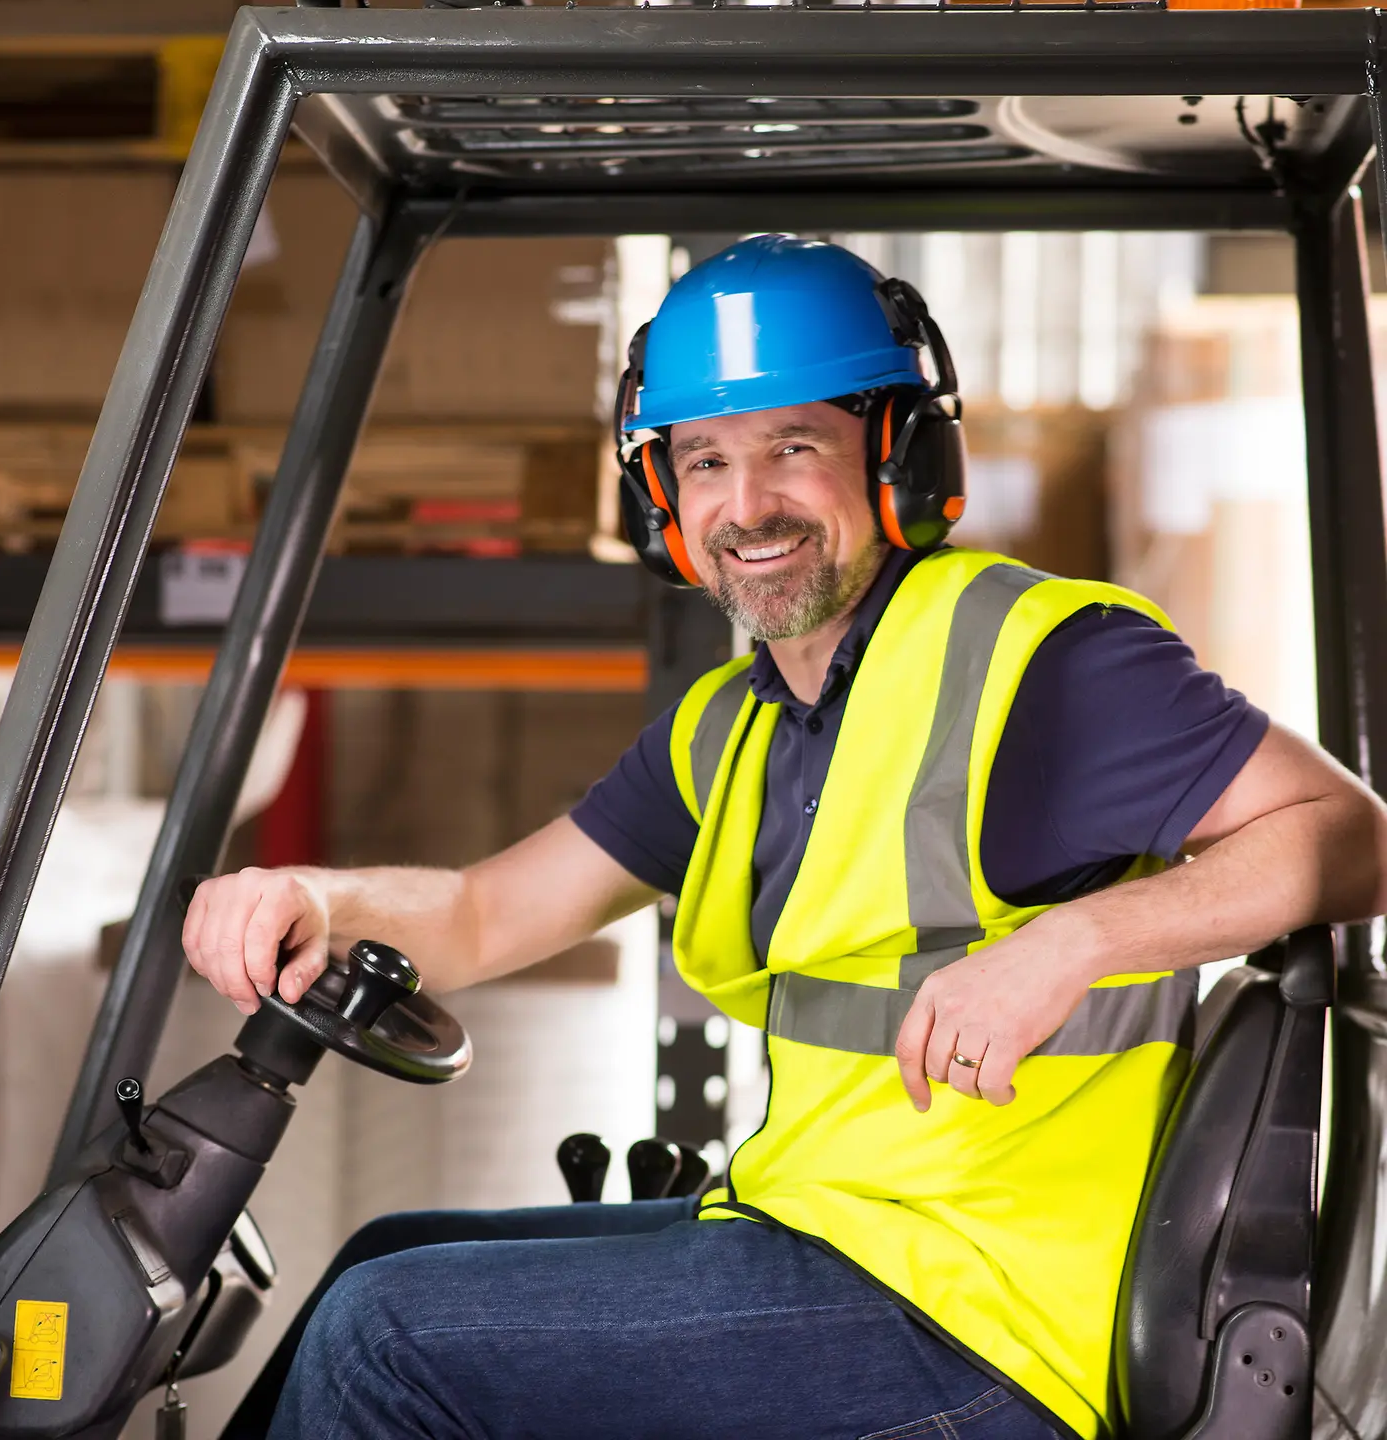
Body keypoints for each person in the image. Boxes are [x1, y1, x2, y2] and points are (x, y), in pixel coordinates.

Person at [185, 235, 1387, 1440]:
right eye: (704, 459)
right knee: (380, 1262)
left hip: (985, 1322)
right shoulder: (731, 733)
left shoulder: (1039, 662)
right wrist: (311, 899)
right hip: (826, 1243)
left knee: (386, 1336)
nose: (747, 505)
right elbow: (483, 914)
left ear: (898, 458)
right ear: (661, 499)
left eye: (793, 448)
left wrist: (1071, 942)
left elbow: (1354, 836)